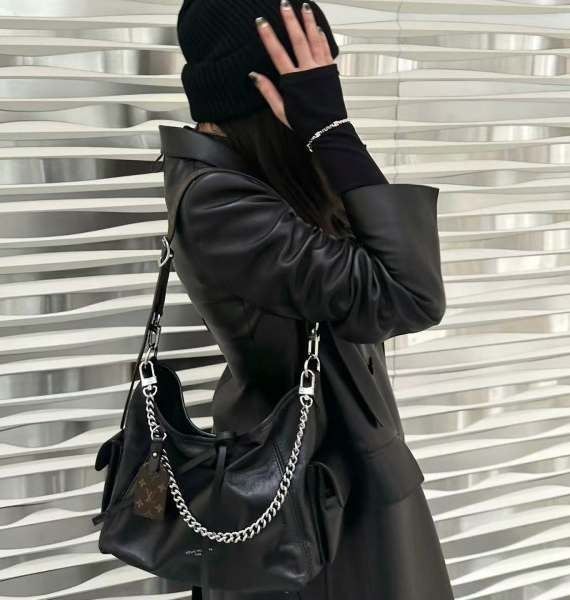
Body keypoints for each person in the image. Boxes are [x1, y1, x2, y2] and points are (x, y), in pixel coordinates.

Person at [157, 0, 455, 598]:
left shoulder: (263, 177)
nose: (324, 89)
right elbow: (408, 294)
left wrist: (319, 138)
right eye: (310, 78)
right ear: (260, 86)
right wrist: (331, 131)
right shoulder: (219, 202)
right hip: (309, 500)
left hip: (342, 474)